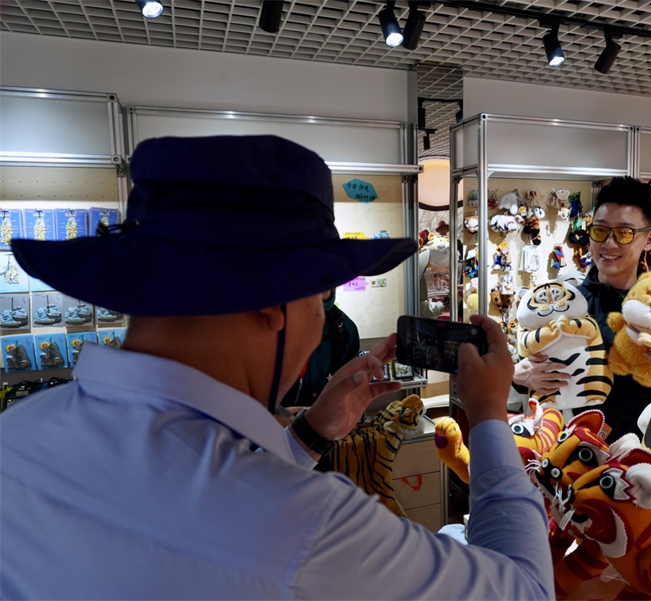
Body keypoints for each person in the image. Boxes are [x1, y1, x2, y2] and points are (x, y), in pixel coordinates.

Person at [0, 135, 553, 600]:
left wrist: (310, 434)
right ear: (274, 304)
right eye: (318, 298)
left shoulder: (17, 435)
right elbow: (526, 589)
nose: (320, 321)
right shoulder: (306, 525)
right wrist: (487, 414)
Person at [513, 176, 651, 441]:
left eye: (624, 233)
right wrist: (518, 376)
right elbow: (527, 369)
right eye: (600, 230)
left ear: (650, 240)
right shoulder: (563, 304)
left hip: (640, 455)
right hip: (567, 451)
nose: (609, 244)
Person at [281, 288, 361, 408]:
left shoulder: (339, 324)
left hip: (312, 412)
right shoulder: (266, 318)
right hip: (264, 413)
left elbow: (349, 380)